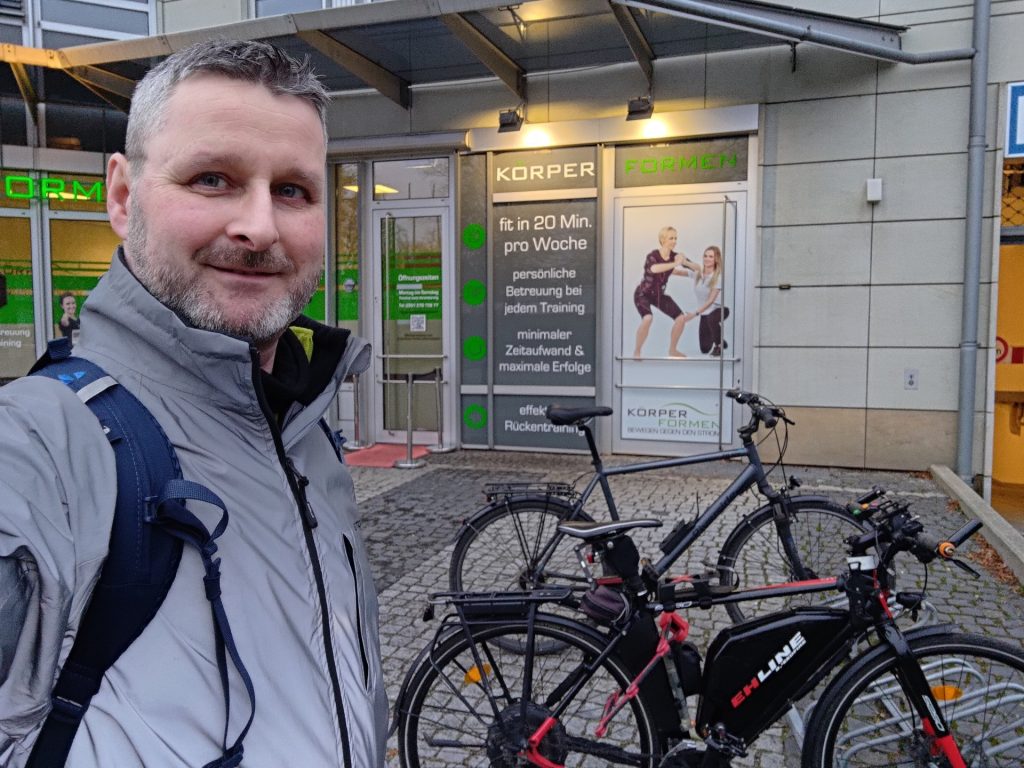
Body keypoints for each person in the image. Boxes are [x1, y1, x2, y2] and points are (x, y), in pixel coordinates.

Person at [0, 40, 385, 767]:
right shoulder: (34, 446)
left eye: (293, 191)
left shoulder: (305, 430)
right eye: (213, 179)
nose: (260, 228)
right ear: (123, 196)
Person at [631, 226, 699, 358]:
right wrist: (675, 264)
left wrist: (685, 261)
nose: (674, 241)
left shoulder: (675, 256)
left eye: (675, 238)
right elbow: (654, 269)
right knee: (648, 318)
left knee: (680, 319)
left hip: (659, 295)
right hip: (643, 294)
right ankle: (637, 351)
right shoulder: (652, 255)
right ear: (662, 240)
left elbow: (697, 268)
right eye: (671, 238)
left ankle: (672, 350)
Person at [679, 245, 730, 356]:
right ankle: (720, 340)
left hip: (719, 310)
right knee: (705, 349)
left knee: (711, 319)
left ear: (716, 259)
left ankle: (719, 345)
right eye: (705, 256)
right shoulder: (698, 274)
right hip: (704, 314)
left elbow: (710, 301)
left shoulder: (718, 277)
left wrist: (694, 314)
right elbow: (679, 272)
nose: (707, 258)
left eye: (711, 256)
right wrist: (665, 269)